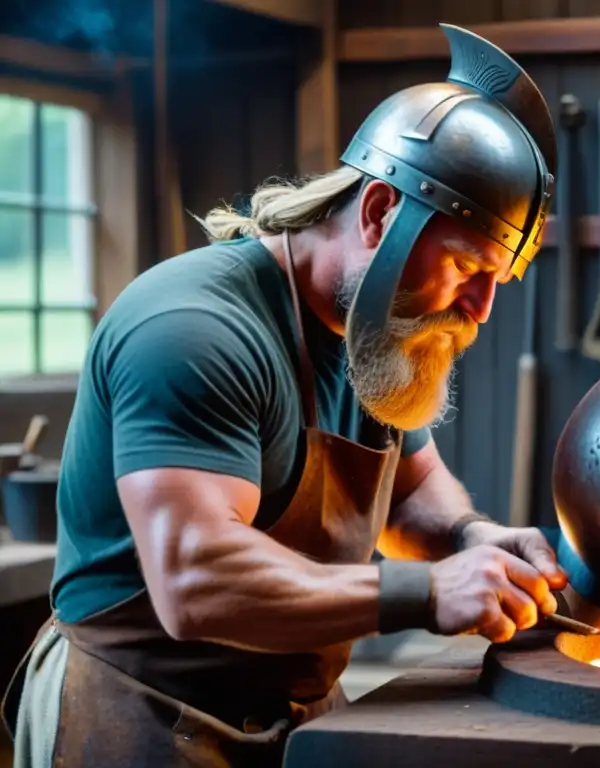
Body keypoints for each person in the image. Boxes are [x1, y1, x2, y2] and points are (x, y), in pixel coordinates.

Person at [2, 23, 561, 768]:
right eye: (467, 267)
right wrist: (427, 592)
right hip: (140, 707)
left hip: (290, 709)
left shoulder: (378, 334)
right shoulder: (195, 329)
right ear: (379, 212)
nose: (483, 306)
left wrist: (470, 540)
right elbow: (196, 578)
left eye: (501, 278)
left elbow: (412, 494)